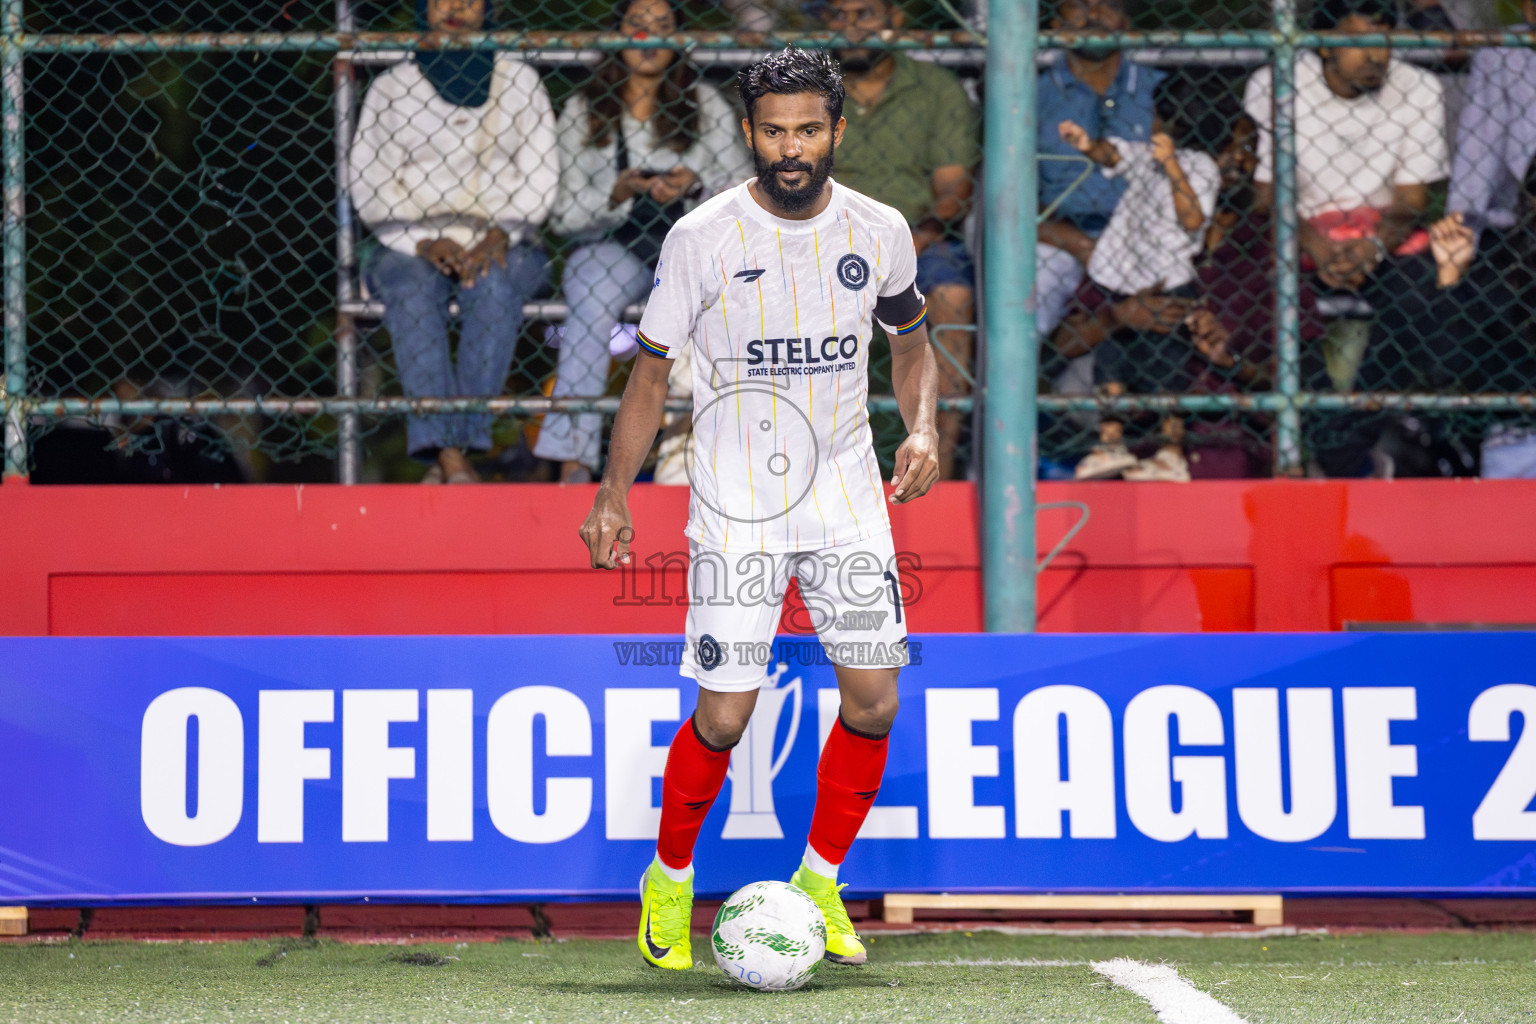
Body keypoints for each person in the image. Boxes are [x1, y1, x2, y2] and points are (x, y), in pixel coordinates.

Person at [577, 48, 940, 971]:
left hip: (849, 496)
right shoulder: (701, 237)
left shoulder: (880, 228)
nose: (791, 148)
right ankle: (670, 876)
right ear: (749, 132)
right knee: (726, 718)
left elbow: (911, 342)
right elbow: (650, 373)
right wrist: (615, 493)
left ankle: (820, 884)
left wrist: (924, 426)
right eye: (773, 131)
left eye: (808, 131)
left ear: (835, 132)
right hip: (738, 505)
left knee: (874, 699)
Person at [539, 0, 750, 484]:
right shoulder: (582, 109)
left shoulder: (703, 103)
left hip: (690, 242)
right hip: (614, 242)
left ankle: (714, 452)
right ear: (617, 35)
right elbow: (563, 214)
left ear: (678, 40)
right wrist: (615, 193)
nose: (649, 37)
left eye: (662, 27)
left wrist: (693, 184)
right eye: (637, 25)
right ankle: (574, 459)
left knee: (728, 298)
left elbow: (741, 188)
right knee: (589, 293)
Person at [348, 0, 555, 483]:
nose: (455, 7)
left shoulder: (518, 81)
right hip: (404, 241)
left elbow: (542, 173)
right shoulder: (393, 88)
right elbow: (368, 181)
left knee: (493, 285)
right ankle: (451, 456)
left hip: (509, 238)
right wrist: (421, 239)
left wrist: (501, 231)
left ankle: (454, 448)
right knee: (415, 291)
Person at [818, 0, 980, 479]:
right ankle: (817, 467)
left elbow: (953, 190)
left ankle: (938, 462)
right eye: (838, 15)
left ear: (895, 19)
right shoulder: (811, 90)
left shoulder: (935, 89)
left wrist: (912, 239)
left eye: (866, 14)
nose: (852, 27)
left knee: (952, 296)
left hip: (919, 238)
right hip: (823, 239)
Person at [1050, 78, 1221, 481]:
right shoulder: (1144, 156)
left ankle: (1170, 449)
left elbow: (1194, 219)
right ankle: (1111, 441)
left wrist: (1173, 166)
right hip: (1122, 276)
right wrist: (1087, 144)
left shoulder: (1201, 167)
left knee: (1167, 365)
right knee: (1111, 364)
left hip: (1169, 279)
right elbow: (1113, 156)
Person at [1035, 0, 1162, 394]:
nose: (1093, 14)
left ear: (1125, 16)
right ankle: (1017, 431)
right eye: (1078, 4)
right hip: (1060, 235)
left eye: (1105, 3)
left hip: (1148, 235)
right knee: (1026, 299)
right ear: (1056, 22)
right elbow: (1009, 196)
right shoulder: (1027, 92)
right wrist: (1081, 245)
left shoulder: (1160, 87)